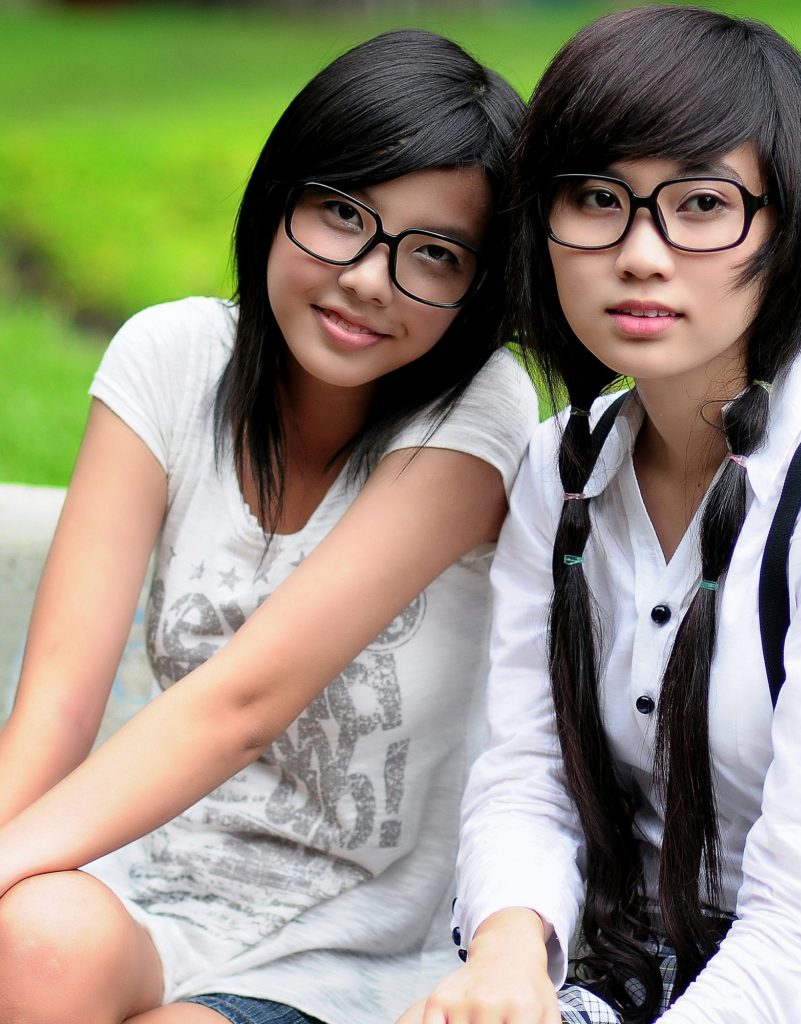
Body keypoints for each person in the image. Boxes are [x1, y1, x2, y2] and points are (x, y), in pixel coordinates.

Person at [406, 7, 801, 1024]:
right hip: (632, 958)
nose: (640, 254)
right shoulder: (558, 468)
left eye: (700, 205)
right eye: (596, 199)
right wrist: (509, 956)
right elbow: (525, 773)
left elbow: (798, 922)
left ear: (787, 229)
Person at [0, 29, 536, 1024]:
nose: (371, 278)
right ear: (277, 199)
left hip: (343, 942)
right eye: (341, 213)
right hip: (147, 886)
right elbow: (54, 710)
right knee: (30, 943)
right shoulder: (168, 359)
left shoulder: (479, 414)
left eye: (433, 253)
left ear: (478, 289)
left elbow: (245, 698)